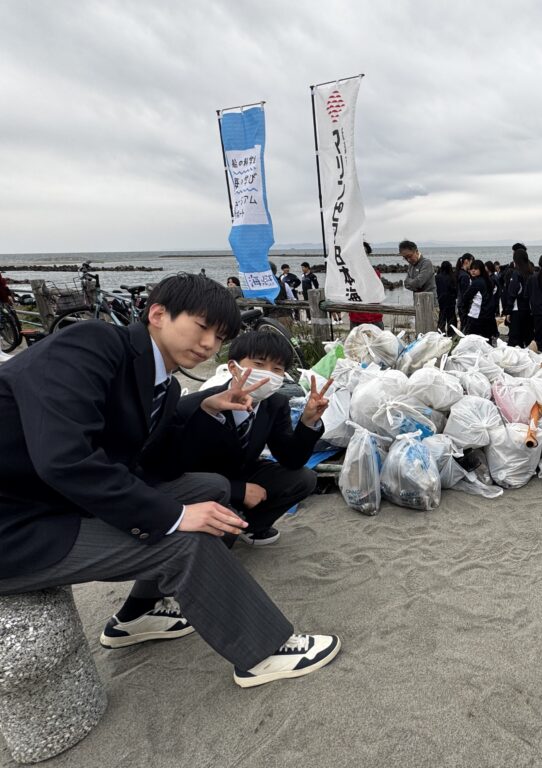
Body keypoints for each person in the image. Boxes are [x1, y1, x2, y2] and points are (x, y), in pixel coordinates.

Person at [0, 273, 340, 688]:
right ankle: (264, 651)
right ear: (158, 314)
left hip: (56, 499)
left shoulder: (157, 375)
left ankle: (137, 616)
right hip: (19, 521)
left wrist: (209, 404)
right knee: (184, 538)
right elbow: (65, 459)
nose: (209, 344)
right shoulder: (92, 344)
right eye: (202, 327)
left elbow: (161, 427)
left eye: (219, 337)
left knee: (210, 492)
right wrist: (175, 514)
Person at [163, 331, 329, 547]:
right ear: (234, 367)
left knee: (303, 478)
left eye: (277, 369)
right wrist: (238, 490)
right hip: (199, 486)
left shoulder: (275, 404)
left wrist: (308, 422)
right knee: (222, 526)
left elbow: (291, 460)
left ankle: (250, 527)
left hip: (243, 470)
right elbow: (180, 469)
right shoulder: (193, 406)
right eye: (259, 364)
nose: (267, 374)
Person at [504, 249, 534, 347]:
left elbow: (512, 293)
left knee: (515, 339)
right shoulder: (531, 273)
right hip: (529, 310)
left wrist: (508, 311)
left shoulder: (516, 274)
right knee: (528, 337)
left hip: (517, 309)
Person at [350, 242, 384, 329]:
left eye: (364, 253)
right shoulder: (349, 274)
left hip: (374, 318)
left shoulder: (375, 273)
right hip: (356, 318)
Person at [459, 260, 496, 339]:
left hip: (476, 315)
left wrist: (464, 309)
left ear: (481, 270)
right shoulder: (488, 280)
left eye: (475, 269)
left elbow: (466, 297)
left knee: (471, 339)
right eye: (471, 268)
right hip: (488, 315)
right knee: (486, 340)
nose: (472, 271)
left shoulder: (476, 282)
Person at [435, 260, 459, 335]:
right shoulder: (452, 277)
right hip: (451, 300)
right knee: (451, 318)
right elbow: (455, 289)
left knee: (442, 317)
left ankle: (441, 332)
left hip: (441, 299)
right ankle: (451, 334)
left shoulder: (437, 277)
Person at [456, 254, 474, 329]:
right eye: (472, 262)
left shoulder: (460, 273)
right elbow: (465, 293)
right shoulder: (465, 276)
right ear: (466, 261)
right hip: (464, 305)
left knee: (464, 324)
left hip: (460, 303)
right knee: (465, 326)